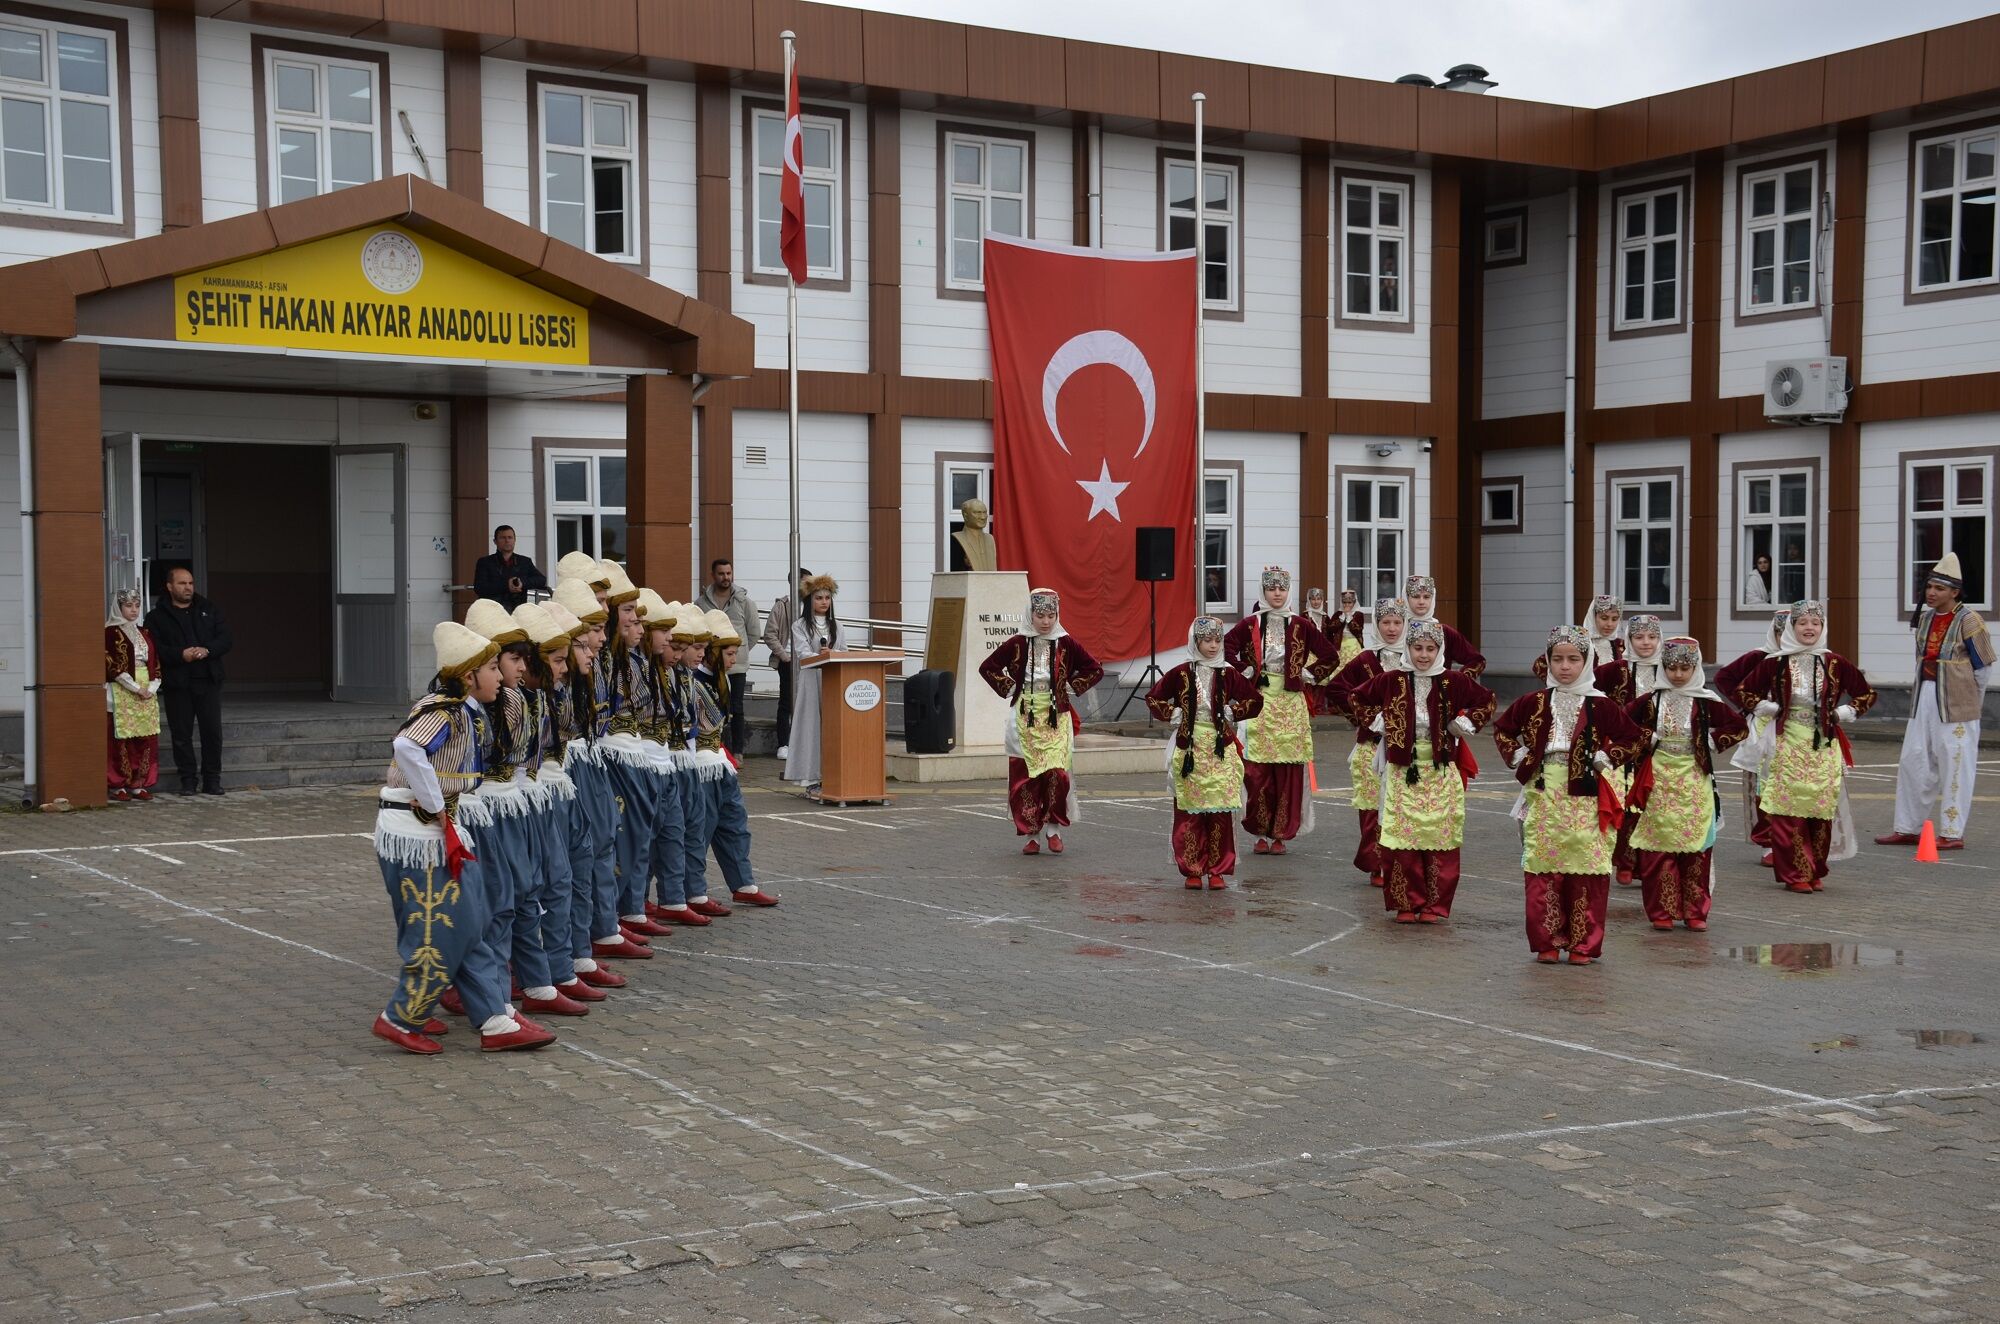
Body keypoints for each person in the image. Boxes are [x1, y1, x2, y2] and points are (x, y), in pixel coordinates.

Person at [371, 620, 553, 1055]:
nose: (499, 675)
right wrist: (435, 803)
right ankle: (401, 1016)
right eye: (491, 668)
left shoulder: (466, 711)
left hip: (437, 827)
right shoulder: (446, 709)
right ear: (469, 675)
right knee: (444, 929)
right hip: (418, 832)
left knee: (471, 922)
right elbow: (407, 748)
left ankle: (494, 1016)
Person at [1493, 625, 1646, 966]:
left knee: (1586, 869)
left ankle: (1582, 944)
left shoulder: (1601, 705)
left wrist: (1608, 757)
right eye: (1557, 659)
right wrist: (1518, 755)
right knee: (1543, 866)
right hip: (1544, 793)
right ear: (1547, 661)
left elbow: (1634, 738)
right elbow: (1503, 729)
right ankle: (1547, 941)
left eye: (1573, 659)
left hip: (1587, 798)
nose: (1565, 666)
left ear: (1586, 661)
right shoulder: (1533, 702)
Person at [1343, 620, 1496, 924]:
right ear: (1408, 648)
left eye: (1430, 648)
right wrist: (1378, 722)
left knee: (1438, 836)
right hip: (1402, 771)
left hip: (1440, 772)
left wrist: (1464, 723)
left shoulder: (1452, 681)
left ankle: (1432, 905)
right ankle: (1405, 902)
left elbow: (1487, 701)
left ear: (1440, 650)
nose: (1423, 655)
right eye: (1417, 648)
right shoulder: (1392, 680)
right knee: (1402, 837)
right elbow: (1356, 697)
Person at [1729, 601, 1876, 894]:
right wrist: (1766, 707)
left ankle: (1814, 867)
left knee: (1820, 809)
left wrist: (1844, 713)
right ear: (1792, 627)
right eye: (1803, 623)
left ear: (1823, 627)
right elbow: (1742, 690)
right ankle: (1795, 871)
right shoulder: (1775, 662)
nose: (1809, 628)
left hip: (1823, 744)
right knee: (1789, 809)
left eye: (1815, 623)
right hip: (1787, 742)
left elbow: (1866, 694)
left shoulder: (1834, 662)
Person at [1625, 637, 1748, 932]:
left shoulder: (1705, 701)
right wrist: (1646, 738)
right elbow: (1620, 723)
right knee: (1659, 846)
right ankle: (1662, 910)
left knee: (1695, 848)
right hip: (1658, 779)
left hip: (1694, 778)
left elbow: (1738, 726)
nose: (1678, 674)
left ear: (1695, 668)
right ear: (1663, 667)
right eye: (1672, 668)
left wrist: (1712, 741)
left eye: (1685, 668)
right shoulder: (1652, 700)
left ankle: (1695, 911)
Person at [1224, 567, 1343, 854]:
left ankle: (1280, 834)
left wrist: (1308, 674)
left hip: (1290, 704)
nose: (1277, 593)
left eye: (1282, 588)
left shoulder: (1301, 625)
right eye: (1271, 588)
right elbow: (1225, 647)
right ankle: (1259, 832)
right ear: (1263, 591)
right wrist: (1244, 670)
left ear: (1289, 591)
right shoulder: (1250, 624)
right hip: (1259, 701)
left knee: (1287, 772)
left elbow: (1330, 656)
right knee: (1257, 770)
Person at [979, 587, 1106, 854]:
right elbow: (988, 667)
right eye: (1040, 616)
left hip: (1055, 718)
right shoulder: (1017, 643)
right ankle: (1031, 834)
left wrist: (1070, 686)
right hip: (1024, 717)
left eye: (1051, 615)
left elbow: (1094, 669)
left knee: (1057, 774)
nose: (1046, 622)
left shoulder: (1065, 642)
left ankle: (1054, 829)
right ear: (1031, 614)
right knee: (1026, 777)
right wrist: (1010, 687)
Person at [1878, 552, 1992, 849]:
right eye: (1929, 586)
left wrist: (1972, 702)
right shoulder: (1926, 618)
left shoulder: (1970, 620)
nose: (1931, 592)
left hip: (1957, 702)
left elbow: (1983, 667)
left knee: (1956, 764)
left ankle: (1952, 832)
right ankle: (1907, 827)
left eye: (1939, 588)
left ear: (1955, 592)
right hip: (1924, 699)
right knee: (1913, 760)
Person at [549, 579, 628, 994]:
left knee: (589, 853)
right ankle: (552, 962)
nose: (598, 642)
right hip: (556, 775)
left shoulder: (580, 674)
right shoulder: (539, 691)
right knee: (555, 874)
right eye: (590, 634)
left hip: (581, 759)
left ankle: (580, 949)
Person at [1147, 616, 1262, 888]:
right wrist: (1172, 713)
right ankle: (1193, 869)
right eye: (1207, 640)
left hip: (1220, 748)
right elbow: (1153, 697)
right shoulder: (1181, 672)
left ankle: (1217, 870)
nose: (1213, 646)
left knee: (1219, 810)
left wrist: (1234, 712)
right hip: (1190, 748)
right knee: (1190, 810)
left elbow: (1255, 700)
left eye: (1217, 640)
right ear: (1195, 641)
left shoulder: (1228, 673)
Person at [594, 563, 666, 958]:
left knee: (638, 835)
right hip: (611, 751)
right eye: (628, 614)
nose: (635, 624)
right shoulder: (604, 658)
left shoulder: (628, 661)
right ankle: (611, 919)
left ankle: (627, 910)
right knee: (617, 838)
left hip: (631, 748)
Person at [694, 609, 778, 906]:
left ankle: (743, 883)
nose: (733, 660)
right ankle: (693, 891)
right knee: (700, 830)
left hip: (719, 762)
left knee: (734, 824)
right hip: (699, 766)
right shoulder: (692, 681)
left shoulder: (723, 681)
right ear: (711, 652)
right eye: (728, 654)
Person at [1327, 598, 1410, 887]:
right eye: (1386, 622)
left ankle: (1400, 864)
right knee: (1373, 806)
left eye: (1397, 622)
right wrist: (1364, 717)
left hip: (1406, 750)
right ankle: (1376, 864)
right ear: (1376, 624)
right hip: (1372, 746)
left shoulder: (1416, 658)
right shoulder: (1366, 659)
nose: (1392, 628)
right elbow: (1336, 688)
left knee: (1402, 806)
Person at [145, 566, 232, 796]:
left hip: (208, 680)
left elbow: (225, 639)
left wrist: (207, 650)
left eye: (191, 583)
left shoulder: (208, 609)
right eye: (182, 583)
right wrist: (180, 655)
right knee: (181, 735)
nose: (188, 588)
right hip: (178, 683)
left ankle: (212, 780)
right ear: (170, 586)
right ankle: (188, 781)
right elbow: (155, 648)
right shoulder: (156, 617)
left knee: (212, 733)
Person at [1595, 613, 1665, 885]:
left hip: (1659, 750)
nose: (1646, 642)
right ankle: (1625, 861)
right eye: (1639, 637)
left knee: (1653, 804)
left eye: (1652, 636)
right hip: (1623, 748)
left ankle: (1647, 864)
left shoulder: (1669, 668)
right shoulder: (1616, 670)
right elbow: (1589, 690)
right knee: (1625, 803)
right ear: (1628, 639)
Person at [1717, 607, 1792, 859]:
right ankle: (1769, 843)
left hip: (1798, 731)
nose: (1787, 639)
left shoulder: (1812, 660)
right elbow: (1724, 678)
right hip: (1765, 730)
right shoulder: (1760, 657)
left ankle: (1796, 841)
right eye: (1782, 634)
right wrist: (1753, 704)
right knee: (1765, 784)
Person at [694, 558, 761, 755]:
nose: (726, 577)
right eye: (721, 573)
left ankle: (737, 752)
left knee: (736, 709)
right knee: (712, 705)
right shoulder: (701, 603)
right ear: (713, 575)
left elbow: (754, 633)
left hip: (737, 666)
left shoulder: (745, 602)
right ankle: (717, 747)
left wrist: (736, 653)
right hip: (710, 666)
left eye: (729, 573)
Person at [784, 575, 843, 787]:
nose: (824, 602)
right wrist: (822, 656)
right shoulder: (799, 625)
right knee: (810, 725)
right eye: (819, 598)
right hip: (811, 679)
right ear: (810, 600)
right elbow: (803, 654)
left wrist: (832, 654)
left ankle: (833, 774)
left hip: (832, 679)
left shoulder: (837, 625)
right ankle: (810, 776)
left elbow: (844, 651)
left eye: (827, 597)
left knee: (832, 725)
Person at [105, 588, 162, 802]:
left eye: (137, 605)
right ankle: (117, 783)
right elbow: (113, 666)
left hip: (146, 689)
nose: (134, 610)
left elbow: (154, 662)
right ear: (118, 607)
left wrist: (152, 687)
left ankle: (138, 783)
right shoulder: (110, 633)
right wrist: (136, 688)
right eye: (128, 606)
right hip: (123, 689)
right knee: (120, 739)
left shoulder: (143, 632)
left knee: (144, 738)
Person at [764, 567, 810, 760]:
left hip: (809, 660)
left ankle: (806, 744)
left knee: (809, 701)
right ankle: (784, 744)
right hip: (788, 661)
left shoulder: (813, 604)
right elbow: (769, 634)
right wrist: (784, 656)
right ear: (794, 582)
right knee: (786, 702)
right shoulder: (781, 606)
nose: (810, 586)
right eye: (806, 581)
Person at [1402, 575, 1486, 677]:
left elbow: (1477, 660)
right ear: (1406, 598)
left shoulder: (1445, 632)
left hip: (1438, 687)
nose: (1421, 602)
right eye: (1416, 596)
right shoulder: (1394, 631)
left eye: (1427, 597)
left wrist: (1457, 681)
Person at [473, 525, 547, 611]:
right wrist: (506, 585)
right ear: (495, 541)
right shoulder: (485, 562)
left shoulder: (525, 561)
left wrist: (522, 583)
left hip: (518, 610)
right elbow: (479, 588)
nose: (507, 540)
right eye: (503, 538)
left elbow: (541, 580)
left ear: (514, 540)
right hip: (493, 611)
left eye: (510, 537)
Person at [950, 498, 999, 572]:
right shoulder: (958, 538)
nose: (983, 517)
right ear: (965, 516)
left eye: (984, 512)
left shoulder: (990, 539)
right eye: (977, 513)